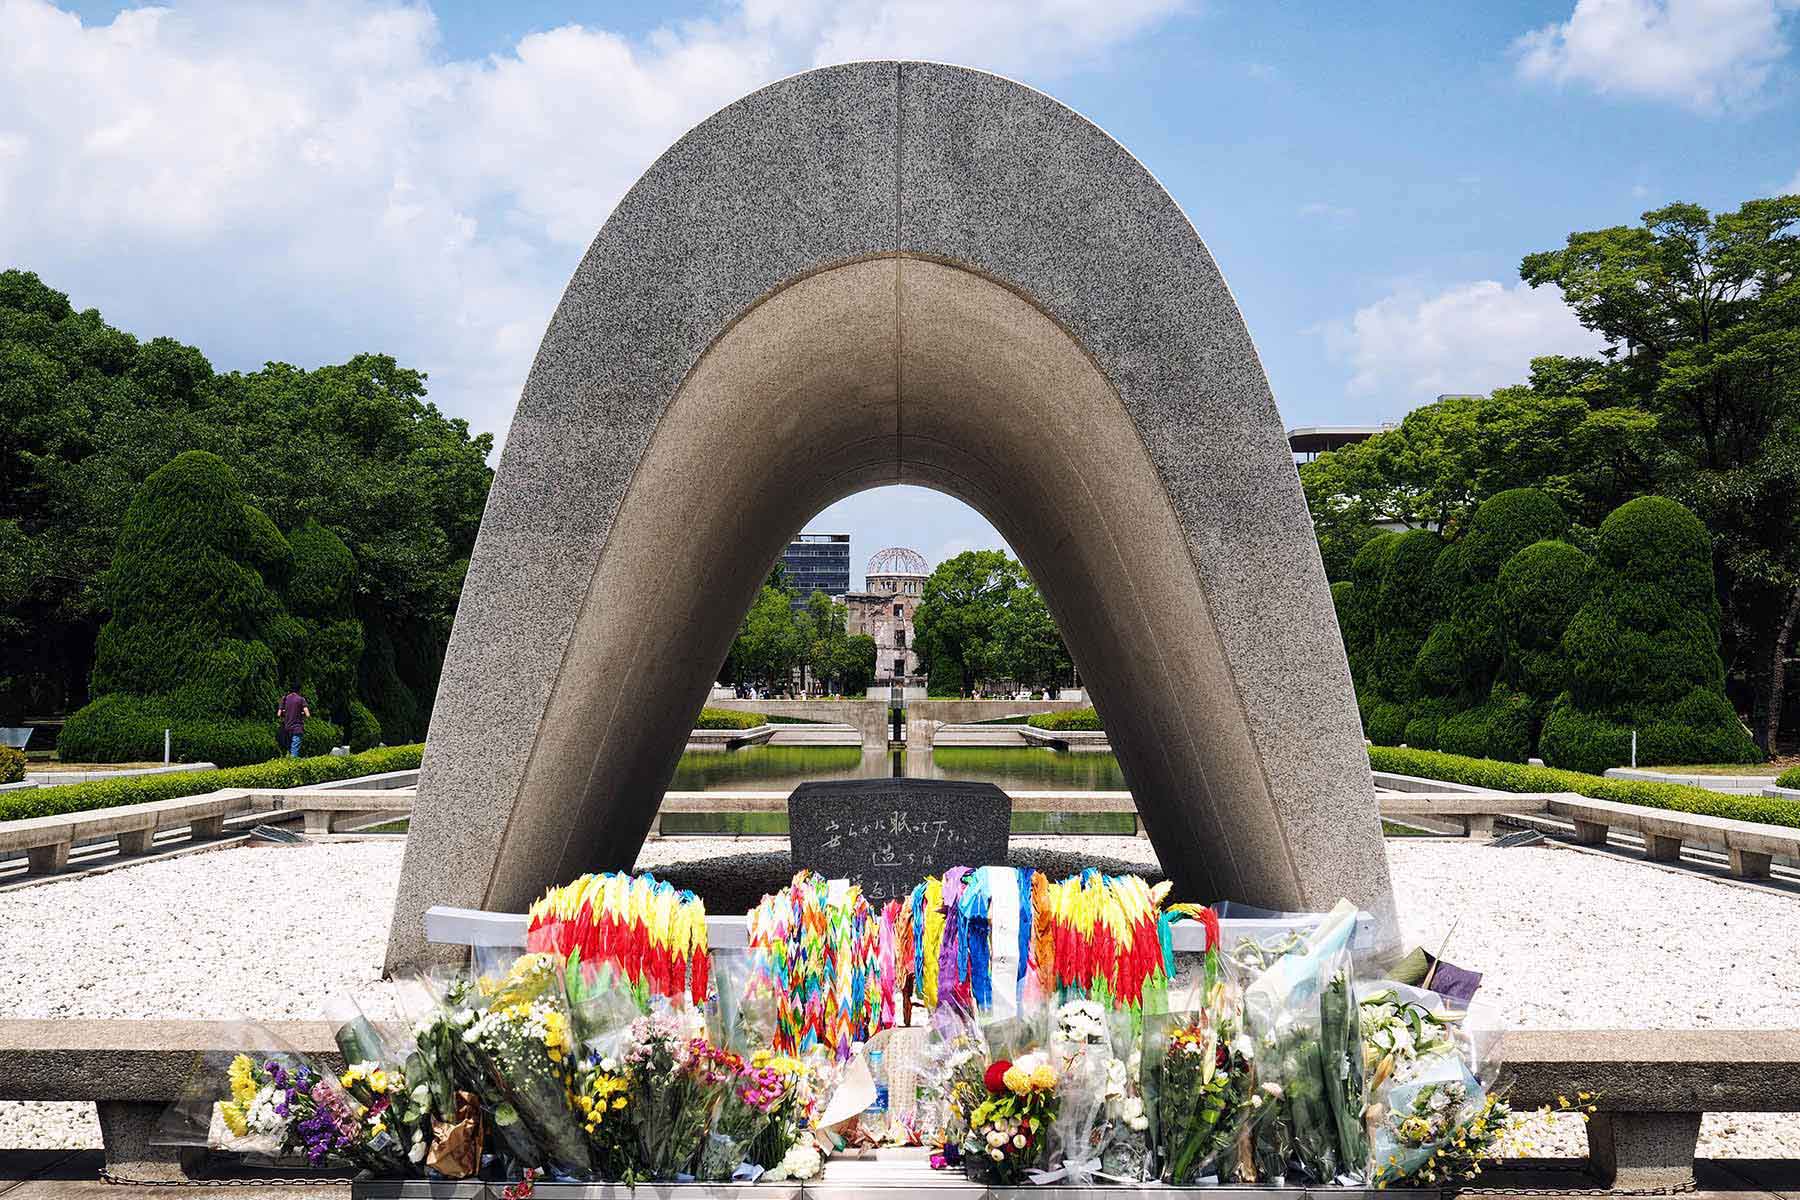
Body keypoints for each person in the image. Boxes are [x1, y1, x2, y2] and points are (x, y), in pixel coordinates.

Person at [277, 687, 310, 758]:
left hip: (286, 728)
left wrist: (286, 713)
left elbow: (279, 714)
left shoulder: (284, 699)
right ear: (299, 691)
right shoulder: (301, 699)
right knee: (294, 752)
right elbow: (307, 714)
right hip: (297, 728)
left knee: (288, 751)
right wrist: (300, 713)